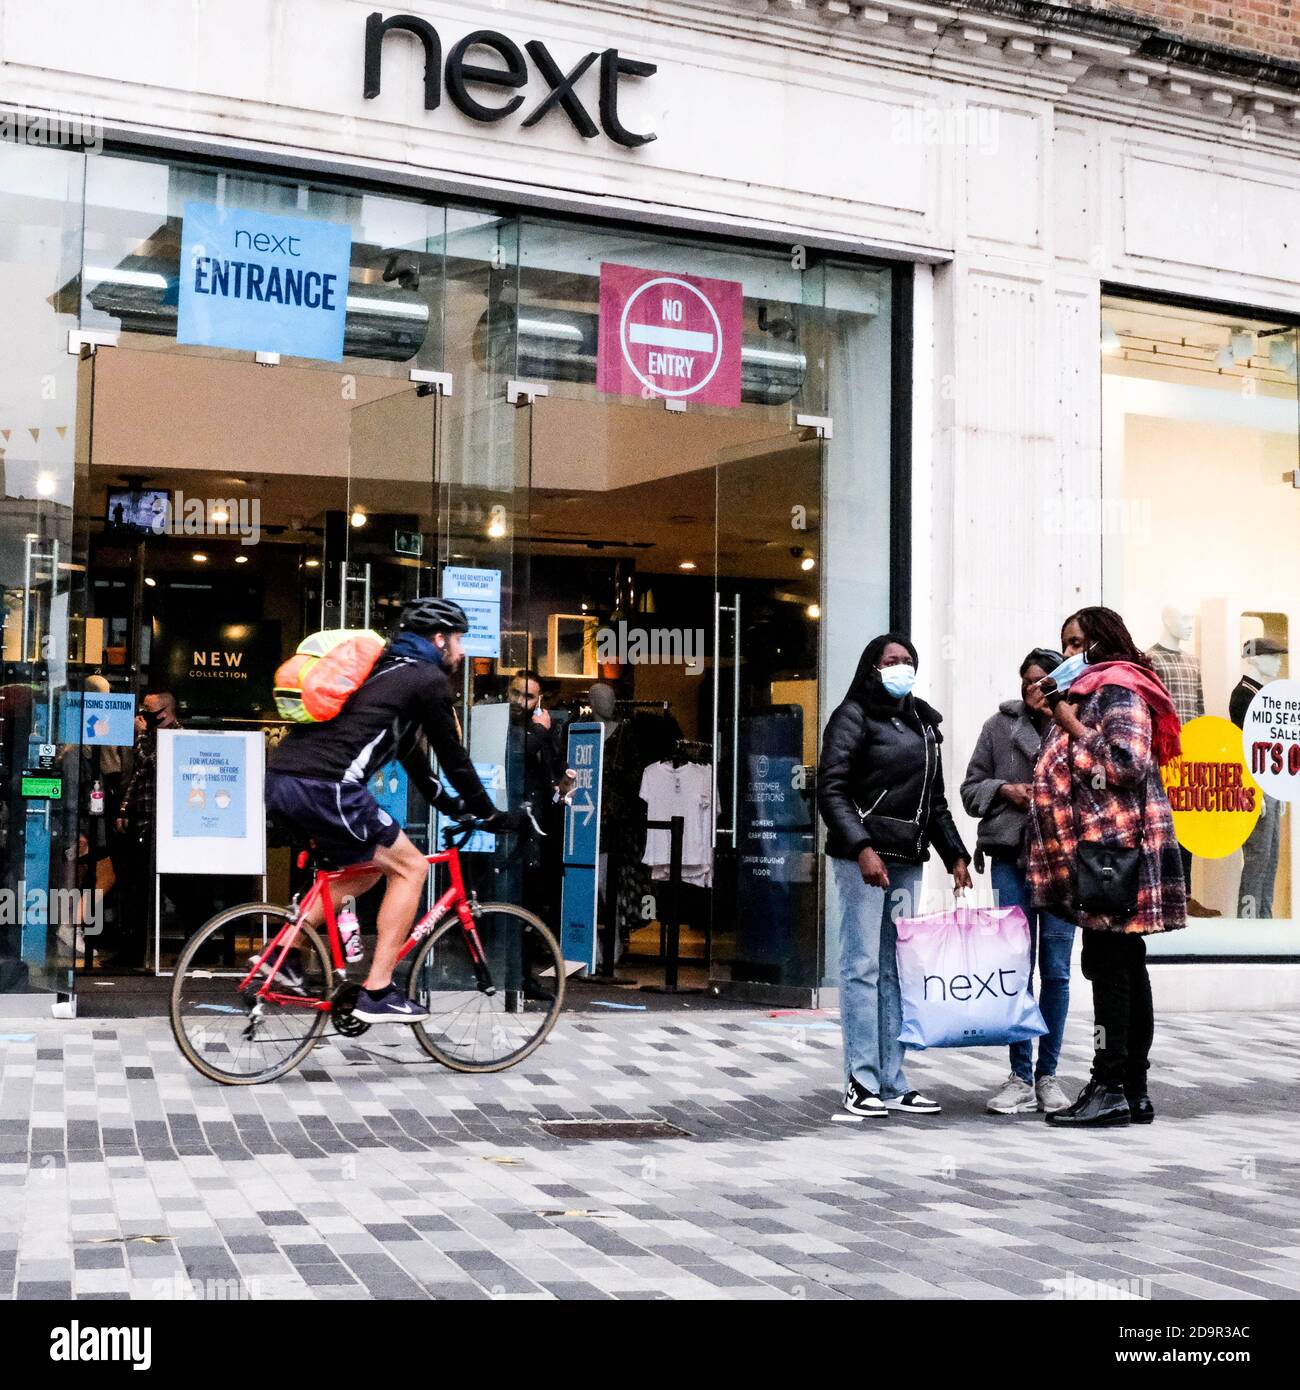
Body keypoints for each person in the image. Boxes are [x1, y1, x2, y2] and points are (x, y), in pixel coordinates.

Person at [266, 597, 521, 1023]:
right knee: (412, 868)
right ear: (438, 640)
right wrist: (491, 814)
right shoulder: (425, 679)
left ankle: (283, 955)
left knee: (365, 868)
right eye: (458, 640)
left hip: (284, 780)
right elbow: (453, 756)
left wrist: (451, 805)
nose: (461, 652)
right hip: (328, 786)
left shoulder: (385, 673)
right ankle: (378, 991)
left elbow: (415, 759)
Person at [1027, 606, 1186, 1128]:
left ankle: (1110, 1084)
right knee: (1123, 965)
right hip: (1104, 852)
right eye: (1064, 645)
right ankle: (1132, 1089)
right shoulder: (1096, 688)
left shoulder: (1120, 686)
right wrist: (1058, 715)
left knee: (1109, 968)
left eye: (1075, 644)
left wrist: (1072, 725)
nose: (1068, 655)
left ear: (1100, 641)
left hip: (1114, 853)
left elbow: (1127, 762)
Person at [817, 634, 972, 1119]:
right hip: (862, 859)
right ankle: (860, 1081)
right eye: (891, 661)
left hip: (908, 857)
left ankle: (893, 1080)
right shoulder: (852, 716)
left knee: (896, 971)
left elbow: (936, 801)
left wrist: (956, 855)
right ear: (872, 668)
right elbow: (831, 787)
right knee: (861, 967)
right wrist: (861, 847)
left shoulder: (925, 723)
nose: (900, 667)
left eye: (907, 661)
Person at [961, 648, 1075, 1116]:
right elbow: (970, 790)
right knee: (1015, 968)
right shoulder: (998, 727)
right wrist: (1004, 790)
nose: (1034, 687)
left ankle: (1049, 1074)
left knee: (1057, 968)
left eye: (1044, 679)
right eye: (1027, 680)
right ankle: (1019, 1075)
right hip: (1010, 857)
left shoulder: (1076, 725)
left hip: (1065, 861)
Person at [114, 690, 182, 968]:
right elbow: (137, 778)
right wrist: (124, 808)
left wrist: (140, 736)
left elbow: (151, 764)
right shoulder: (152, 737)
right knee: (134, 888)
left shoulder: (176, 736)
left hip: (163, 824)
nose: (142, 715)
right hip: (142, 819)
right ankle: (131, 950)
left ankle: (143, 951)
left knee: (165, 888)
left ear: (164, 712)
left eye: (148, 710)